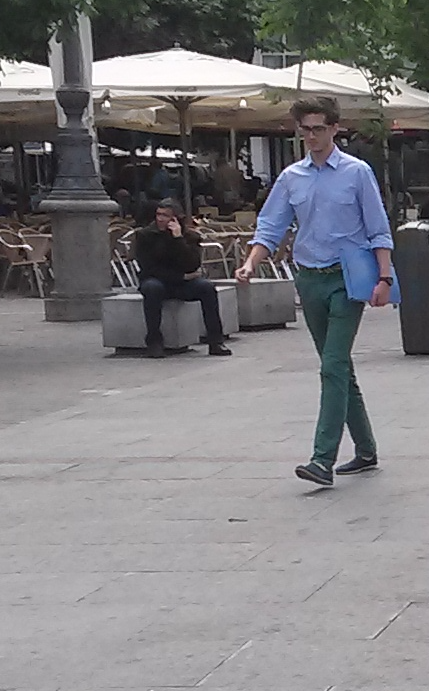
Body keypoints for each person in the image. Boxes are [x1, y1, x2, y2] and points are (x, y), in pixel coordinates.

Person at [236, 94, 393, 489]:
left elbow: (378, 228)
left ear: (335, 128)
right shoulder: (292, 178)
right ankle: (367, 448)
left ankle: (322, 459)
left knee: (332, 365)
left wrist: (385, 278)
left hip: (347, 278)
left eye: (318, 128)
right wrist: (252, 262)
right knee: (336, 366)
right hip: (309, 278)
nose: (310, 136)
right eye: (304, 129)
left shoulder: (357, 173)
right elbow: (271, 226)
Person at [132, 201, 232, 356]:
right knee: (152, 288)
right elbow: (148, 268)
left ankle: (215, 341)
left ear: (176, 219)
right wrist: (181, 276)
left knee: (206, 287)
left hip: (182, 284)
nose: (160, 219)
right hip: (158, 281)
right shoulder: (145, 235)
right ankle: (154, 341)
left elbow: (192, 264)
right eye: (158, 214)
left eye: (165, 216)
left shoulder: (189, 236)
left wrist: (178, 239)